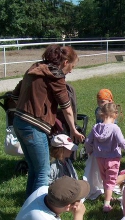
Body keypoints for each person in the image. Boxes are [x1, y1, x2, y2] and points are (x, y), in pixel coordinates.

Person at [11, 44, 84, 198]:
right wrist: (73, 129)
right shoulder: (56, 76)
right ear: (65, 63)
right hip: (34, 127)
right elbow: (66, 107)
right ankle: (38, 210)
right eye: (72, 66)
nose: (71, 70)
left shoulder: (35, 68)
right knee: (43, 171)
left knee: (34, 169)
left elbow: (16, 94)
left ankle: (28, 207)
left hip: (19, 122)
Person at [85, 103, 125, 213]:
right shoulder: (115, 128)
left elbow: (88, 141)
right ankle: (106, 204)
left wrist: (89, 150)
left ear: (101, 114)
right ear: (115, 115)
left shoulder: (95, 128)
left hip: (100, 158)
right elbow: (121, 141)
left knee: (105, 178)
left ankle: (108, 194)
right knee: (111, 181)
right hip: (113, 159)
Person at [95, 88, 125, 183]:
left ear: (110, 101)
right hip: (101, 138)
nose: (100, 104)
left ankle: (113, 173)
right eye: (98, 102)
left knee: (112, 158)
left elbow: (115, 130)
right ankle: (108, 178)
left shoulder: (112, 113)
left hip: (110, 140)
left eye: (102, 102)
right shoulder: (98, 110)